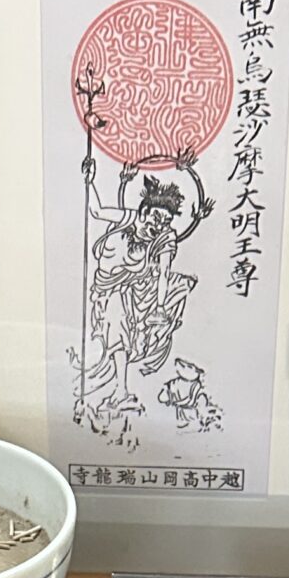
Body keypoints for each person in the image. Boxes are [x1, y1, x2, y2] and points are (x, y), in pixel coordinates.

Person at [76, 147, 212, 439]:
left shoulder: (165, 239)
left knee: (118, 329)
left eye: (165, 221)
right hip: (104, 288)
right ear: (144, 211)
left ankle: (121, 391)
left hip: (135, 293)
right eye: (155, 217)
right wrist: (90, 180)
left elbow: (163, 273)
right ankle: (114, 389)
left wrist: (160, 307)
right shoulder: (128, 218)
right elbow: (96, 211)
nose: (158, 225)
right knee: (110, 332)